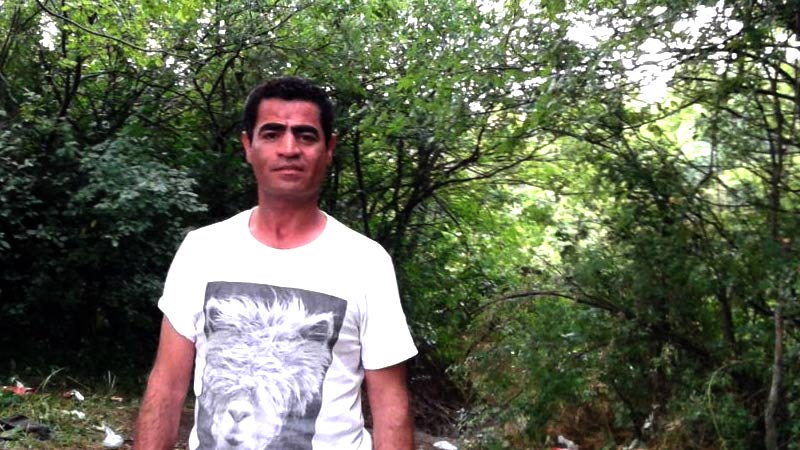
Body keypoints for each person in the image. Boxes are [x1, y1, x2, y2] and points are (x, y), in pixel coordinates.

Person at [134, 76, 418, 450]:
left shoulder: (367, 262)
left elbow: (390, 405)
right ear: (247, 146)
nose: (289, 149)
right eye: (271, 134)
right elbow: (167, 385)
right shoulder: (201, 250)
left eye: (305, 135)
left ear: (329, 149)